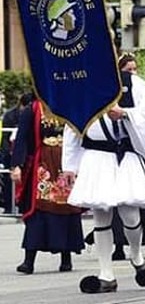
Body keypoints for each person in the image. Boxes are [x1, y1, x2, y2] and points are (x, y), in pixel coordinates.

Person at [63, 53, 145, 293]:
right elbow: (72, 124)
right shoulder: (82, 85)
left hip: (123, 155)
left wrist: (126, 114)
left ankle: (137, 255)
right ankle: (106, 273)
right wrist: (69, 165)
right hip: (95, 156)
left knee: (130, 213)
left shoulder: (131, 83)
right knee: (100, 214)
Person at [11, 96, 84, 274]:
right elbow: (22, 138)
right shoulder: (33, 109)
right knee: (39, 210)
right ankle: (29, 261)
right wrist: (17, 165)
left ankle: (66, 259)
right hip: (43, 165)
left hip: (66, 164)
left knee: (68, 209)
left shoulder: (70, 106)